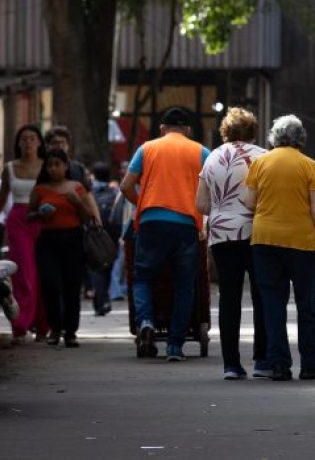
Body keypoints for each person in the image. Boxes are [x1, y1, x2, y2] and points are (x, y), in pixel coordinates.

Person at [242, 114, 315, 382]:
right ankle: (310, 362)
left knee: (272, 303)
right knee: (307, 304)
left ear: (274, 136)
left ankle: (279, 364)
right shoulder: (309, 165)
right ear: (301, 138)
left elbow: (249, 202)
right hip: (301, 242)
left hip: (265, 240)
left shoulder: (260, 163)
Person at [119, 106, 209, 362]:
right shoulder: (201, 151)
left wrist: (143, 203)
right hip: (186, 224)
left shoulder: (146, 149)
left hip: (151, 221)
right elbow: (213, 186)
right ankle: (175, 346)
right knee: (184, 284)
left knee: (144, 277)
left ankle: (146, 322)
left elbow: (126, 186)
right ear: (188, 130)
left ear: (162, 128)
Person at [195, 106, 267, 380]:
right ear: (253, 130)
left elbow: (201, 204)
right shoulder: (263, 157)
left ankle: (231, 364)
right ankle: (262, 359)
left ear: (225, 130)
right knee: (261, 295)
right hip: (258, 231)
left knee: (229, 296)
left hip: (222, 235)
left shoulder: (212, 158)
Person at [29, 148, 101, 347]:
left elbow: (89, 218)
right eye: (50, 165)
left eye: (57, 164)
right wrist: (39, 215)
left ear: (66, 166)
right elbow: (29, 215)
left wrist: (78, 203)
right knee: (50, 284)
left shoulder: (76, 187)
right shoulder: (40, 189)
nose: (53, 168)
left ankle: (70, 331)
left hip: (73, 239)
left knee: (72, 285)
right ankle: (55, 328)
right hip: (47, 241)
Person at [0, 124, 50, 343]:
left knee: (41, 273)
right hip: (18, 221)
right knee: (23, 274)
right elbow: (1, 197)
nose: (28, 142)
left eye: (32, 138)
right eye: (24, 139)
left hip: (43, 220)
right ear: (18, 144)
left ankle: (43, 325)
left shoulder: (47, 166)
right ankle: (21, 325)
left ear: (40, 143)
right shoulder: (10, 168)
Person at [88, 162, 120, 316]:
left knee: (96, 268)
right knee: (107, 268)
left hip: (94, 234)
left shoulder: (90, 192)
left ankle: (100, 302)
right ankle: (103, 300)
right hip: (111, 235)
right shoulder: (114, 192)